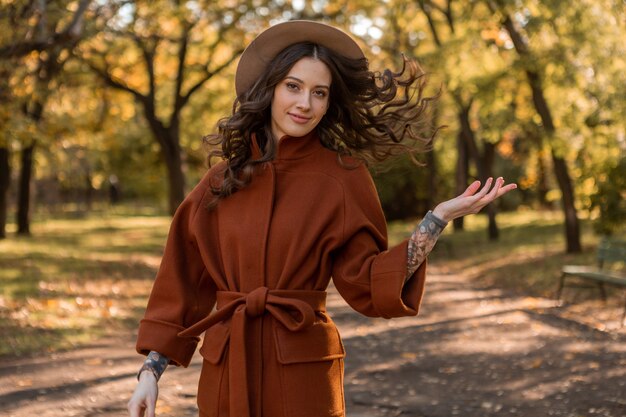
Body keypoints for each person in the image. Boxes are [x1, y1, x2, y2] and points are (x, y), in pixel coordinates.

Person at [127, 20, 517, 417]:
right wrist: (150, 373)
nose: (305, 104)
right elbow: (182, 283)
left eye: (319, 93)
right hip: (228, 370)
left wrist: (436, 220)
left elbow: (366, 279)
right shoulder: (221, 180)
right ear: (270, 88)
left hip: (304, 376)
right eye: (293, 87)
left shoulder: (343, 177)